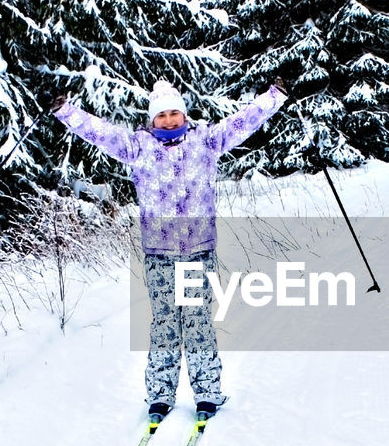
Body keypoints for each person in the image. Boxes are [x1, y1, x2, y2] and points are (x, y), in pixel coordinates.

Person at [49, 79, 286, 422]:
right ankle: (160, 395)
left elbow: (243, 121)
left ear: (184, 113)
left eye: (175, 112)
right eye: (162, 115)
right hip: (159, 254)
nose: (170, 120)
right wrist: (64, 111)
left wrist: (274, 97)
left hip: (197, 251)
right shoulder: (137, 147)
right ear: (152, 119)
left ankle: (207, 393)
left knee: (197, 322)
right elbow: (99, 132)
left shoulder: (205, 141)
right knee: (164, 325)